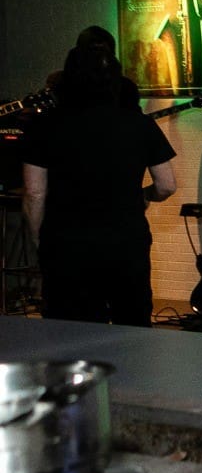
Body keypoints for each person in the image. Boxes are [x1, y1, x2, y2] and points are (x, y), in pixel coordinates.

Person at [20, 45, 175, 325]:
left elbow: (34, 192)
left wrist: (38, 237)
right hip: (126, 243)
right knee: (132, 327)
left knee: (69, 331)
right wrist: (144, 194)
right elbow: (166, 185)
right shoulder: (139, 124)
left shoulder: (44, 126)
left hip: (66, 244)